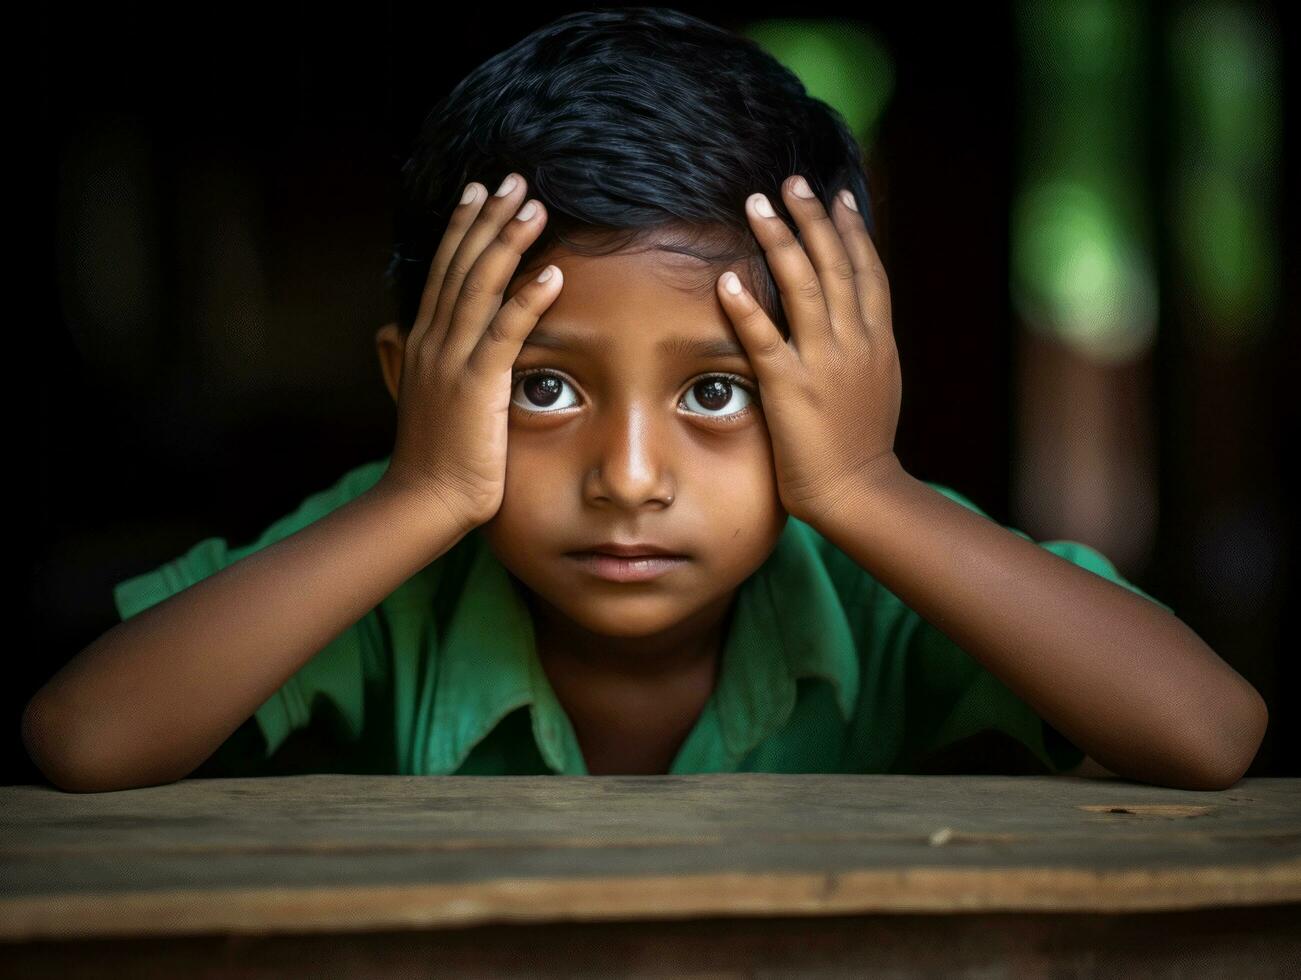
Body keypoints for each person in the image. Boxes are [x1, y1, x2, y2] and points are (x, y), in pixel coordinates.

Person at [23, 8, 1266, 792]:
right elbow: (80, 737)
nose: (628, 475)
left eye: (717, 390)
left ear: (842, 387)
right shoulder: (394, 561)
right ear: (418, 388)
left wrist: (864, 486)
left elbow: (1210, 731)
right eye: (545, 386)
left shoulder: (871, 572)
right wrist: (423, 490)